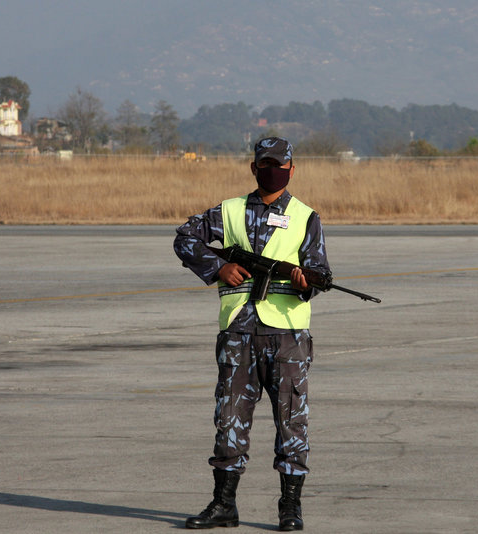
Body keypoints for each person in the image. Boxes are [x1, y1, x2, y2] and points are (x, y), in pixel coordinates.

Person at [174, 137, 330, 531]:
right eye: (266, 163)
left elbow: (318, 271)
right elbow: (185, 237)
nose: (272, 169)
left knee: (292, 420)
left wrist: (304, 282)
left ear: (292, 169)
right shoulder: (227, 212)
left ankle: (290, 508)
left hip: (287, 336)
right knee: (229, 418)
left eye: (279, 164)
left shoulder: (305, 216)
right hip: (238, 333)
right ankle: (223, 504)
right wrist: (216, 268)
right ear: (253, 166)